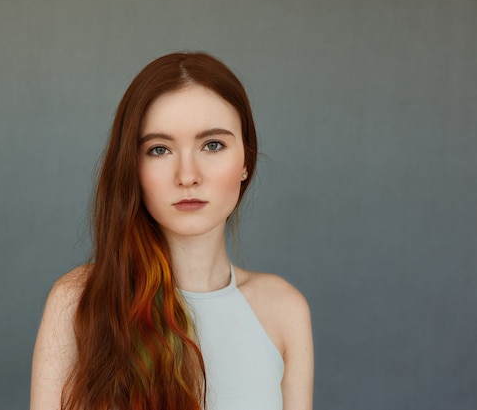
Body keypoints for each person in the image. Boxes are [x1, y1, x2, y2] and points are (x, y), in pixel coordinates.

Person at [30, 52, 314, 410]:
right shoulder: (78, 300)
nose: (187, 175)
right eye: (159, 149)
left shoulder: (285, 309)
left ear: (245, 161)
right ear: (132, 167)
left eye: (213, 145)